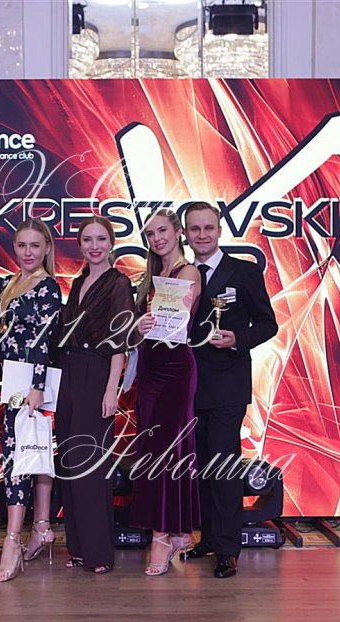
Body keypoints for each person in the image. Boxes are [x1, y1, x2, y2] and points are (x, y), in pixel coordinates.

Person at [182, 201, 278, 579]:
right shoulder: (180, 275)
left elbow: (268, 323)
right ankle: (208, 537)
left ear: (220, 230)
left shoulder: (244, 271)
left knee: (223, 468)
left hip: (227, 387)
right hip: (189, 385)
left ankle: (227, 549)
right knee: (201, 468)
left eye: (208, 227)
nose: (202, 235)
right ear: (185, 234)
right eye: (195, 228)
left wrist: (238, 338)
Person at [53, 216, 134, 574]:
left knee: (91, 466)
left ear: (111, 242)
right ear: (80, 245)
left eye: (101, 239)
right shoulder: (77, 282)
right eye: (88, 240)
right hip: (68, 374)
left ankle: (99, 553)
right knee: (70, 464)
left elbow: (120, 341)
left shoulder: (119, 283)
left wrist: (111, 389)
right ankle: (78, 549)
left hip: (97, 373)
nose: (95, 246)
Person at [130, 208, 202, 576]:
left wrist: (149, 324)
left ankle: (162, 535)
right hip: (150, 366)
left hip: (174, 368)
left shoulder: (187, 272)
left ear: (177, 233)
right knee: (152, 450)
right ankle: (176, 532)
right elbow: (143, 328)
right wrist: (138, 326)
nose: (157, 239)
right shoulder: (150, 276)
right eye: (150, 234)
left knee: (168, 449)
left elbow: (173, 322)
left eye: (162, 231)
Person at [0, 218, 63, 583]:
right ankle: (40, 528)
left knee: (24, 456)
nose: (28, 252)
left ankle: (12, 541)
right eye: (21, 245)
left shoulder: (47, 287)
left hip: (33, 383)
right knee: (28, 454)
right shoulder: (12, 282)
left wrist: (37, 386)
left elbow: (43, 339)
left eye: (35, 245)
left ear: (47, 248)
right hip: (14, 381)